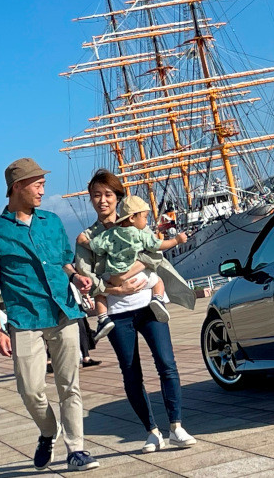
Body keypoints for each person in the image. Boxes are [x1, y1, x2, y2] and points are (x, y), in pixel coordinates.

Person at [0, 157, 99, 472]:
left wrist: (76, 277)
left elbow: (64, 262)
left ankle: (77, 449)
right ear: (18, 186)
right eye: (38, 184)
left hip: (63, 311)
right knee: (30, 390)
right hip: (24, 318)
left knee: (69, 383)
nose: (43, 190)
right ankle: (48, 432)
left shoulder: (52, 222)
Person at [74, 169, 198, 455]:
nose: (102, 201)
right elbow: (85, 274)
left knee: (167, 363)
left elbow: (153, 252)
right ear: (90, 200)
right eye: (96, 196)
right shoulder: (88, 237)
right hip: (117, 313)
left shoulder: (136, 225)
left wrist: (134, 268)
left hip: (149, 305)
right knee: (131, 373)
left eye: (108, 195)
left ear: (118, 197)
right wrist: (112, 288)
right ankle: (152, 432)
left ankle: (176, 426)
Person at [77, 195, 188, 335]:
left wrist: (83, 242)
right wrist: (176, 240)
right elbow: (158, 246)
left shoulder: (110, 234)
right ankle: (158, 299)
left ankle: (103, 319)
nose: (147, 221)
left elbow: (95, 246)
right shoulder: (140, 234)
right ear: (131, 218)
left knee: (100, 294)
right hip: (137, 275)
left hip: (113, 276)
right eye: (145, 217)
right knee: (158, 281)